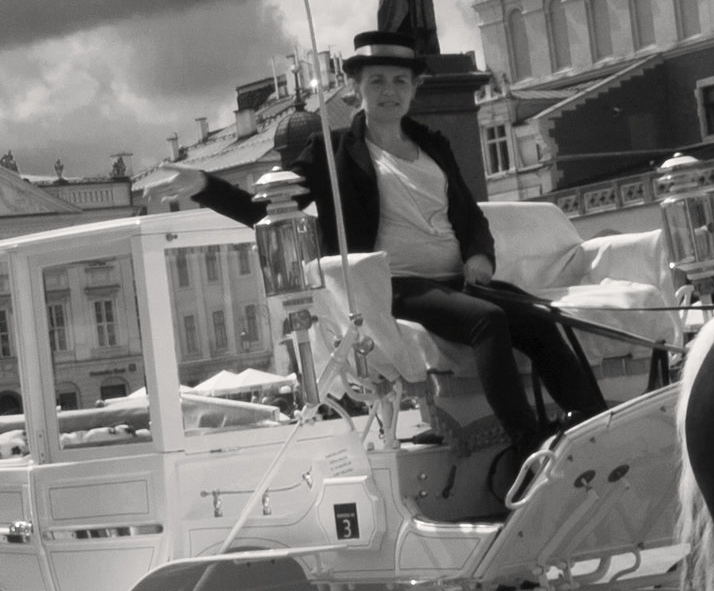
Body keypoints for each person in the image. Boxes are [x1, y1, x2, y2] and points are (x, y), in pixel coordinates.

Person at [152, 30, 606, 501]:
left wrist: (478, 255)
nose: (389, 91)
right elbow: (265, 211)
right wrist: (204, 184)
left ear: (414, 90)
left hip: (456, 280)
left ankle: (594, 427)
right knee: (487, 321)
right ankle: (528, 442)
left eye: (399, 82)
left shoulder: (433, 145)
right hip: (396, 285)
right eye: (377, 82)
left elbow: (468, 215)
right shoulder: (333, 154)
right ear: (355, 90)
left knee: (540, 319)